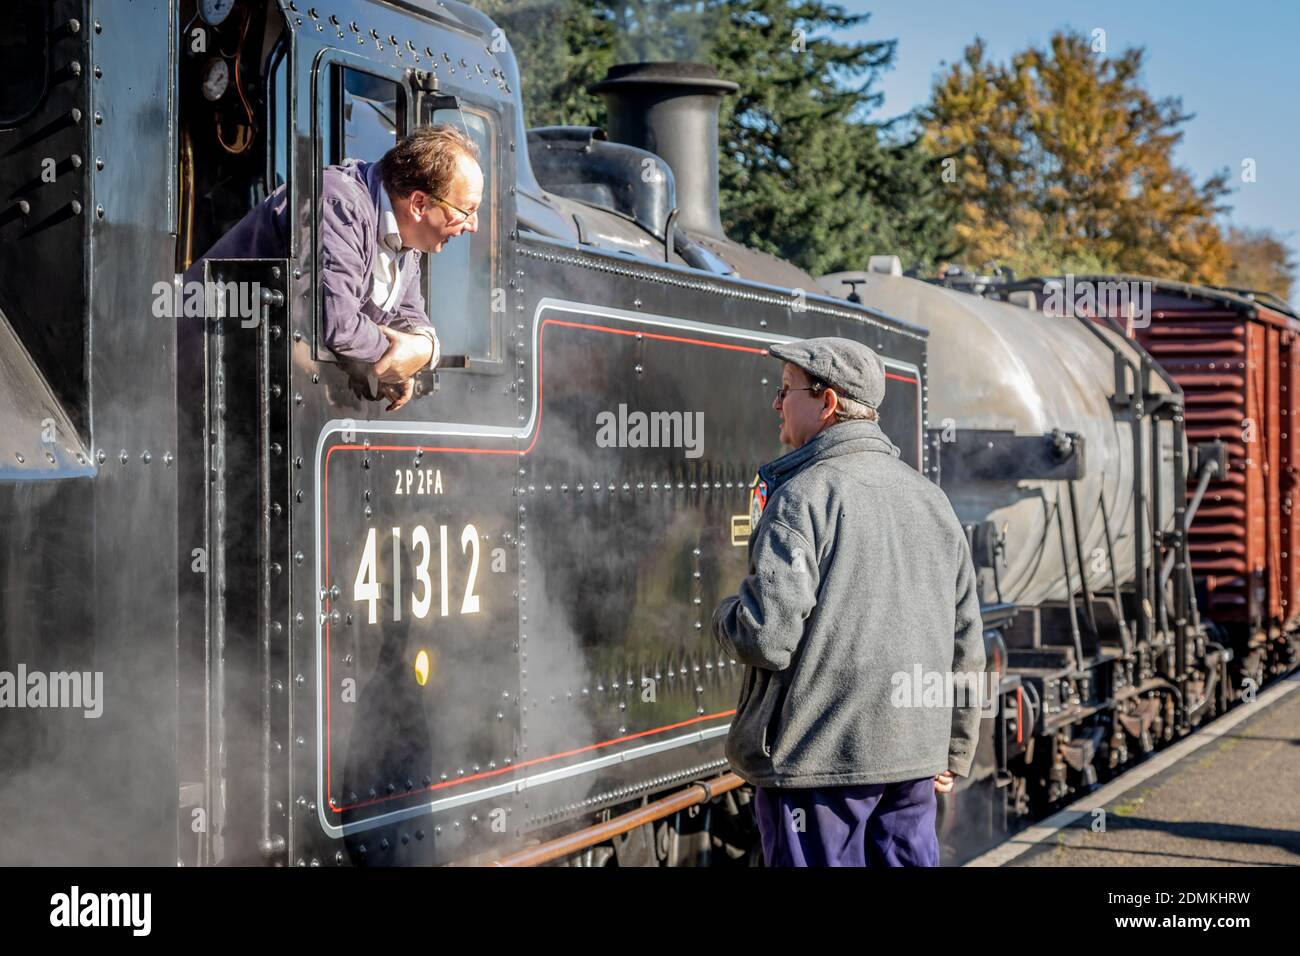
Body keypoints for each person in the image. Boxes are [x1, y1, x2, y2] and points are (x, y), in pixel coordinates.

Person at [711, 336, 985, 867]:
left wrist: (724, 618)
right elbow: (966, 640)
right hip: (913, 763)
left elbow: (766, 637)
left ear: (827, 402)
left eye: (786, 389)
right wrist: (954, 748)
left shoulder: (802, 496)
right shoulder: (932, 500)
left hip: (821, 767)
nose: (776, 403)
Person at [187, 124, 482, 410]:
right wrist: (397, 359)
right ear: (418, 203)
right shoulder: (338, 207)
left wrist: (423, 349)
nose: (473, 225)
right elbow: (339, 323)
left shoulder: (407, 241)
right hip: (208, 378)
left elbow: (409, 316)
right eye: (466, 211)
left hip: (253, 386)